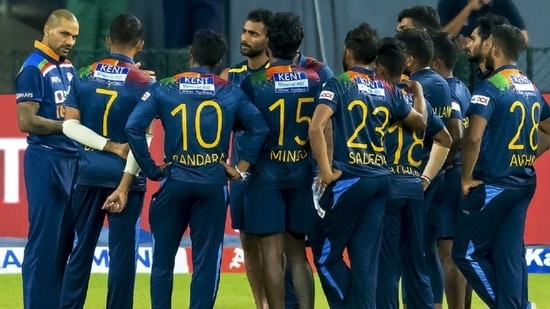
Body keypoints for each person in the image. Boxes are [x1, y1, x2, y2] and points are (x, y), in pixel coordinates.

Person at [126, 29, 269, 309]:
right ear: (218, 64)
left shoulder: (164, 87)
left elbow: (133, 126)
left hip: (174, 181)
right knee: (205, 263)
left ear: (191, 55)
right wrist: (239, 168)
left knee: (163, 262)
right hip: (212, 185)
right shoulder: (230, 91)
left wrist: (152, 169)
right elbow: (259, 127)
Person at [307, 23, 427, 308]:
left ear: (348, 51)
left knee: (325, 256)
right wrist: (418, 92)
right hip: (381, 180)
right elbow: (420, 123)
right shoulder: (389, 89)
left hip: (350, 177)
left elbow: (316, 127)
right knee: (365, 261)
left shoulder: (338, 83)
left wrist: (325, 170)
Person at [59, 13, 153, 309]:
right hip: (126, 180)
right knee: (122, 260)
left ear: (108, 40)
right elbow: (144, 141)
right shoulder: (144, 84)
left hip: (88, 175)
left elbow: (69, 126)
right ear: (140, 45)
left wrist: (105, 145)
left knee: (80, 252)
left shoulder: (84, 74)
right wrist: (123, 175)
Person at [452, 24, 545, 309]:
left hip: (493, 183)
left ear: (496, 48)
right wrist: (527, 156)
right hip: (524, 181)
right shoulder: (530, 86)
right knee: (510, 254)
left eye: (488, 41)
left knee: (465, 254)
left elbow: (473, 136)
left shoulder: (491, 86)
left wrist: (466, 178)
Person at [237, 12, 321, 309]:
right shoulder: (316, 79)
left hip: (265, 177)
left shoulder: (255, 82)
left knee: (271, 253)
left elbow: (243, 127)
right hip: (300, 174)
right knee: (298, 254)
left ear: (269, 42)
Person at [374, 37, 451, 309]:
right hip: (413, 189)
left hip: (386, 186)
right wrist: (426, 178)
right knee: (415, 262)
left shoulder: (376, 98)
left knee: (386, 265)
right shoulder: (417, 103)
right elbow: (446, 139)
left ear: (380, 69)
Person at [15, 9, 79, 309]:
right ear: (47, 30)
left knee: (65, 243)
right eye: (64, 34)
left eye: (74, 36)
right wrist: (66, 127)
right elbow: (26, 121)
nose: (70, 41)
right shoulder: (33, 68)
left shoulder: (68, 67)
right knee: (44, 244)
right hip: (46, 160)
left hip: (72, 161)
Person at [395, 28, 461, 309]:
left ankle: (425, 304)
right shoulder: (441, 83)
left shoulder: (421, 86)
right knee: (425, 249)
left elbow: (445, 134)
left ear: (408, 59)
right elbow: (452, 133)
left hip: (418, 177)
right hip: (432, 177)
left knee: (416, 251)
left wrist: (427, 175)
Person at [219, 9, 272, 309]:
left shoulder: (277, 74)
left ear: (268, 39)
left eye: (254, 33)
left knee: (275, 246)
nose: (245, 37)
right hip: (240, 177)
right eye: (244, 31)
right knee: (249, 245)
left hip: (273, 172)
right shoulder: (231, 76)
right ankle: (260, 304)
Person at [430, 31, 473, 309]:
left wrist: (441, 164)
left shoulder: (448, 90)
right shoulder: (462, 86)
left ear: (435, 62)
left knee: (448, 253)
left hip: (450, 177)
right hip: (458, 176)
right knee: (455, 253)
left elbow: (455, 131)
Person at [438, 0, 528, 47]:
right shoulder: (449, 2)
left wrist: (482, 43)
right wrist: (469, 8)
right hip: (458, 62)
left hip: (489, 62)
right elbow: (441, 39)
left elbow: (524, 39)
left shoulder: (503, 3)